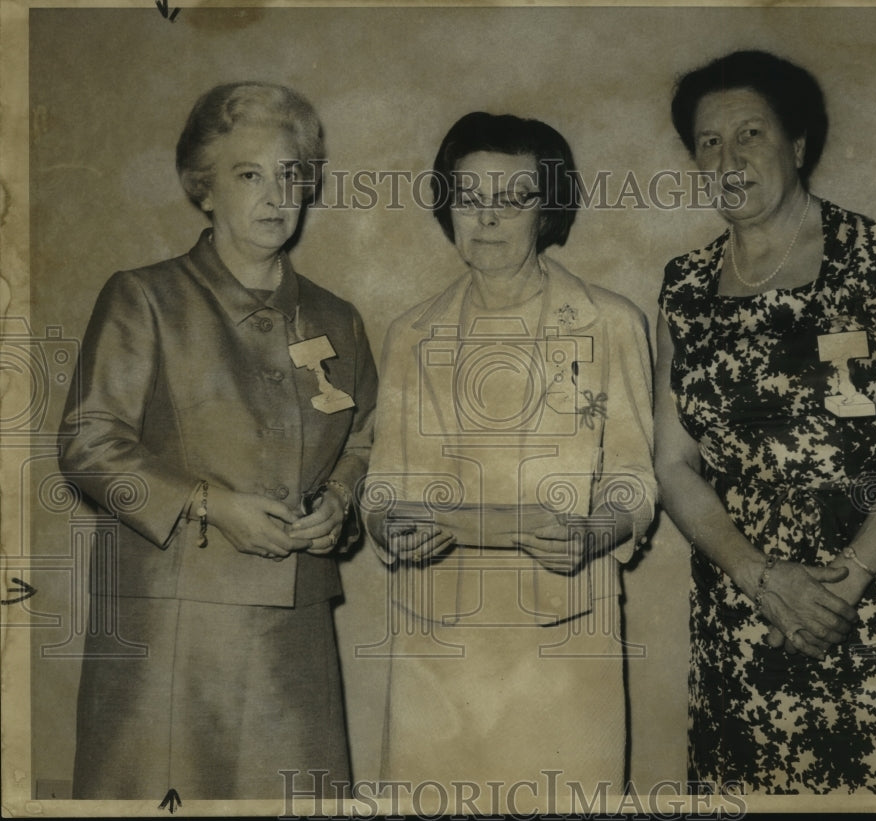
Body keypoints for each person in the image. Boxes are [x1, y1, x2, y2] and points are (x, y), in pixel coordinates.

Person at [655, 50, 876, 794]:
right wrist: (762, 580)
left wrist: (840, 585)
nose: (729, 156)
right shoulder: (684, 288)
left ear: (798, 146)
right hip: (749, 607)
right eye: (709, 141)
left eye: (751, 134)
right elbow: (673, 463)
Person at [59, 81, 377, 799]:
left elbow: (363, 439)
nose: (275, 196)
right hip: (169, 627)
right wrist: (209, 503)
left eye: (291, 174)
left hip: (294, 628)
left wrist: (340, 500)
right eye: (248, 175)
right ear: (203, 188)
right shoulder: (144, 297)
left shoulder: (338, 317)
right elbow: (87, 443)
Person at [362, 111, 655, 805]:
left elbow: (634, 479)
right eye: (470, 198)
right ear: (447, 207)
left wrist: (593, 532)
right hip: (439, 636)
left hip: (565, 631)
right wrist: (391, 526)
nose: (488, 219)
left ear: (547, 208)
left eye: (513, 199)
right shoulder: (411, 333)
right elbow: (381, 490)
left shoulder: (611, 323)